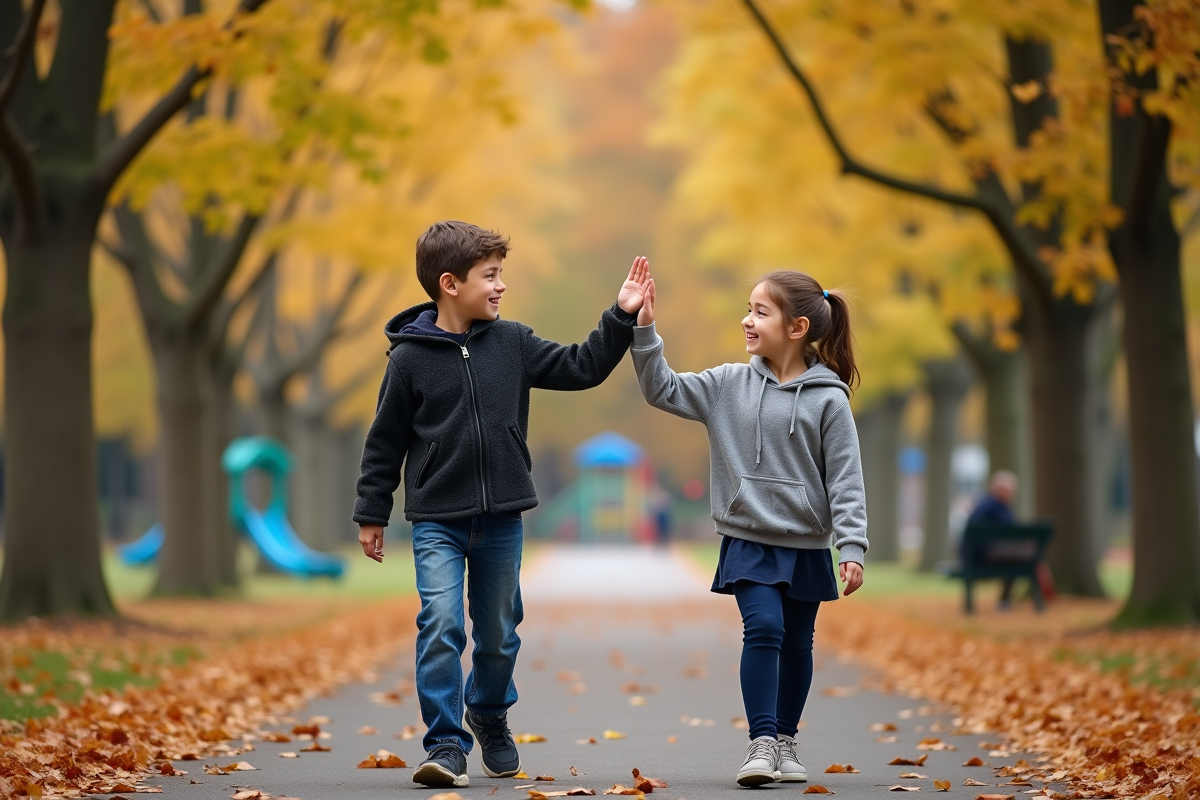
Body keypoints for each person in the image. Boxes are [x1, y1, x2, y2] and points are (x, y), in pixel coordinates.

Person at [353, 222, 651, 789]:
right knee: (440, 624)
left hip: (501, 520)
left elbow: (581, 366)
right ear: (450, 284)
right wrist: (372, 510)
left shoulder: (512, 342)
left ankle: (488, 713)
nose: (501, 286)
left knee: (498, 632)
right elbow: (384, 441)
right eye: (490, 276)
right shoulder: (409, 359)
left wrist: (621, 315)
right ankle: (445, 744)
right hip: (437, 520)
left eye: (501, 275)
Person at [630, 269, 867, 787]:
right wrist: (644, 330)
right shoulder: (727, 384)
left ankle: (785, 739)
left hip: (806, 543)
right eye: (748, 308)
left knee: (798, 642)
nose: (747, 320)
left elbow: (846, 479)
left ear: (797, 327)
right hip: (749, 537)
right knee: (764, 627)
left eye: (761, 312)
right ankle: (761, 742)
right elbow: (661, 389)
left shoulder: (829, 399)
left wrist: (852, 545)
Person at [964, 470, 1020, 608]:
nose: (1010, 493)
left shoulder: (984, 505)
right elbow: (1010, 532)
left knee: (1018, 559)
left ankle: (1004, 600)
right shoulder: (997, 508)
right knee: (1019, 560)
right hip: (983, 555)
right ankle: (1004, 601)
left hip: (975, 555)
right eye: (1007, 490)